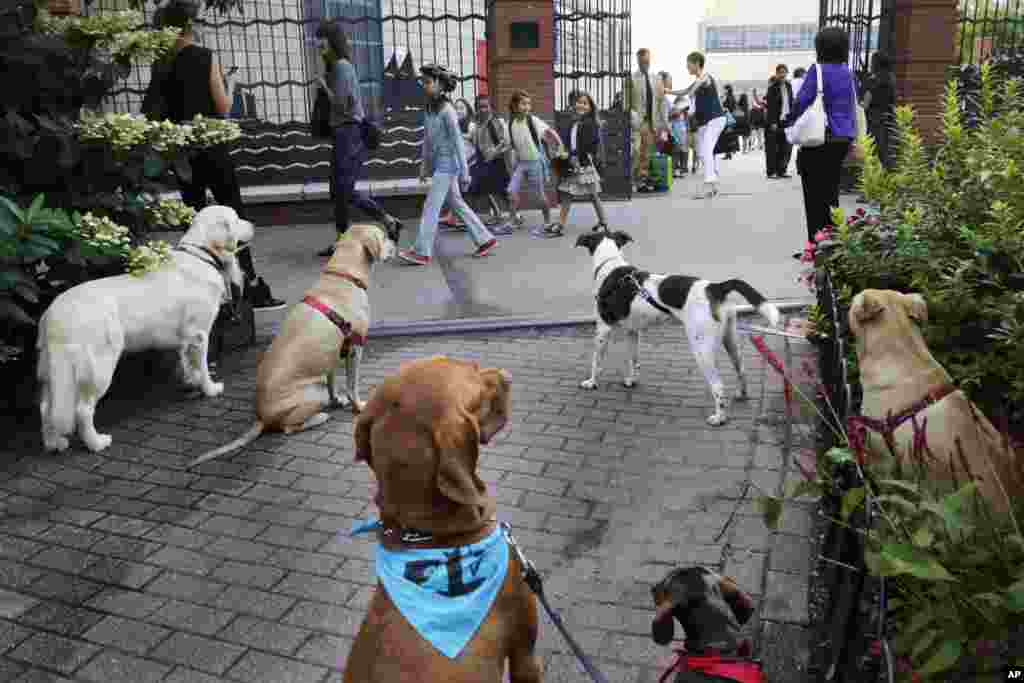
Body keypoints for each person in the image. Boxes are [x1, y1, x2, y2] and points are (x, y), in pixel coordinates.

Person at [148, 0, 284, 310]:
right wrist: (228, 83)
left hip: (182, 152)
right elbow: (223, 107)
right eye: (197, 22)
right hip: (212, 147)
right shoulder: (205, 56)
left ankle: (202, 287)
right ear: (189, 25)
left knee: (194, 219)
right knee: (233, 215)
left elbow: (155, 110)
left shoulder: (161, 63)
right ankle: (248, 284)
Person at [316, 20, 402, 257]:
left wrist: (324, 87)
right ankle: (380, 224)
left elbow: (343, 106)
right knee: (339, 190)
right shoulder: (338, 67)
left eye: (322, 41)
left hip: (349, 133)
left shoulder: (342, 67)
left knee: (342, 189)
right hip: (343, 133)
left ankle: (383, 221)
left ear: (332, 41)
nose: (319, 45)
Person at [398, 64, 497, 266]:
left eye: (428, 82)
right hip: (439, 164)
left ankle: (421, 251)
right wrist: (424, 165)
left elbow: (458, 142)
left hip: (448, 165)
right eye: (423, 82)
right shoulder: (429, 108)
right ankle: (485, 239)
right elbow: (427, 139)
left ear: (441, 85)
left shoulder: (447, 110)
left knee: (430, 207)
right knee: (456, 203)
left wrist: (465, 173)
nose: (424, 85)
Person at [787, 27, 857, 249]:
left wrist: (790, 120)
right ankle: (834, 241)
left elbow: (802, 101)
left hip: (819, 138)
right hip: (842, 139)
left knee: (813, 194)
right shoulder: (848, 73)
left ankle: (816, 244)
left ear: (820, 47)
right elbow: (851, 105)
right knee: (831, 191)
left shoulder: (817, 70)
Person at [505, 89, 566, 237]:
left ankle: (547, 222)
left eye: (528, 104)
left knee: (539, 195)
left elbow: (550, 132)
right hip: (521, 164)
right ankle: (513, 221)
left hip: (535, 163)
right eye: (523, 104)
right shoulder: (511, 123)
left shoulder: (532, 121)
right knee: (511, 191)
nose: (527, 107)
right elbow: (510, 145)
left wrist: (560, 145)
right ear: (514, 105)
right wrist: (510, 161)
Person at [669, 51, 726, 199]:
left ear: (696, 64)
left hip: (715, 119)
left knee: (706, 149)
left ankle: (709, 184)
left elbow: (699, 83)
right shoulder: (697, 81)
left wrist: (692, 92)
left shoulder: (706, 77)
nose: (687, 67)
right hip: (705, 123)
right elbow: (685, 91)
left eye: (688, 64)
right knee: (701, 152)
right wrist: (667, 91)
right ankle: (713, 184)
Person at [553, 91, 607, 234]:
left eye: (585, 103)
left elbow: (589, 146)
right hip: (573, 162)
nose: (581, 105)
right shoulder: (573, 122)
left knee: (593, 195)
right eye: (579, 102)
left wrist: (573, 155)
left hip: (583, 164)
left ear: (590, 107)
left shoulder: (591, 123)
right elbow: (569, 142)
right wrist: (564, 152)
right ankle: (560, 224)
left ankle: (603, 222)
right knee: (568, 194)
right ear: (574, 104)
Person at [469, 94, 521, 232]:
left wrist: (494, 152)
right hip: (482, 160)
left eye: (485, 106)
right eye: (480, 107)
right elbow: (478, 142)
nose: (483, 109)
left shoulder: (495, 123)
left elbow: (504, 143)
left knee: (502, 190)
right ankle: (498, 214)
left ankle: (515, 217)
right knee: (480, 188)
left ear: (491, 107)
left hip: (497, 162)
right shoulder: (478, 123)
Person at [627, 48, 668, 193]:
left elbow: (662, 102)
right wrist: (633, 119)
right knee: (636, 151)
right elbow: (626, 103)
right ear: (637, 61)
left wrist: (664, 124)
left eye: (647, 61)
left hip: (652, 122)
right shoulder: (631, 79)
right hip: (638, 122)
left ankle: (641, 181)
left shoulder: (657, 79)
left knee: (647, 153)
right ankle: (631, 180)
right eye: (642, 61)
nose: (645, 64)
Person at [439, 97, 478, 227]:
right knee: (455, 191)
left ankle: (458, 217)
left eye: (461, 108)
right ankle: (452, 216)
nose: (458, 111)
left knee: (460, 191)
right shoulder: (454, 125)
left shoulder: (471, 125)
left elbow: (476, 145)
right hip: (458, 163)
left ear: (468, 110)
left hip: (469, 163)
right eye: (456, 108)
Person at [863, 51, 896, 169]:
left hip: (874, 120)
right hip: (888, 118)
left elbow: (866, 103)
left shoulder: (872, 80)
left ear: (876, 64)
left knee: (873, 150)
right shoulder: (891, 79)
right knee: (885, 150)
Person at [765, 63, 794, 179]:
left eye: (784, 72)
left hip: (786, 121)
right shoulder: (772, 88)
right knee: (772, 148)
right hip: (775, 121)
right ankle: (771, 171)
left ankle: (782, 170)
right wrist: (772, 122)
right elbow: (771, 106)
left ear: (787, 73)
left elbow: (791, 102)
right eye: (780, 72)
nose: (782, 75)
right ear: (776, 74)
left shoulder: (789, 86)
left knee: (785, 147)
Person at [669, 96, 689, 178]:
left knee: (683, 154)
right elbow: (670, 118)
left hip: (683, 135)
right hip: (676, 134)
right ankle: (673, 171)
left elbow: (686, 123)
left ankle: (682, 171)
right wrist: (678, 111)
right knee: (675, 153)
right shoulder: (673, 110)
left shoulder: (685, 112)